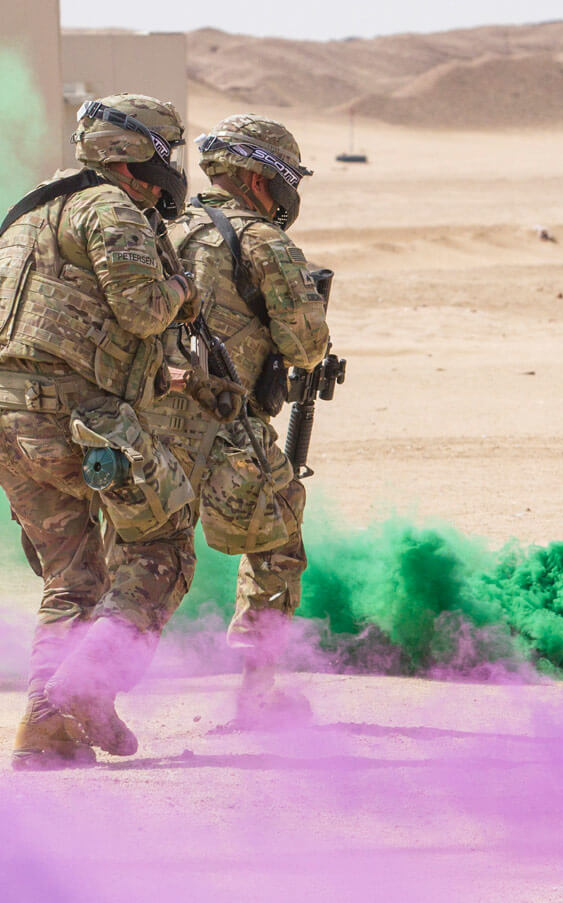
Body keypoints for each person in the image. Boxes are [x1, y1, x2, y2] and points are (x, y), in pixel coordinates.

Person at [0, 94, 235, 769]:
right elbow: (140, 310)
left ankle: (47, 725)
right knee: (162, 544)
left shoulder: (30, 212)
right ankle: (87, 685)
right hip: (76, 417)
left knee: (72, 576)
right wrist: (185, 292)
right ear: (140, 158)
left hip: (3, 420)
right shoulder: (111, 208)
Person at [146, 113, 332, 724]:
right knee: (278, 546)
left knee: (144, 564)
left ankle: (75, 696)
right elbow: (306, 346)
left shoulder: (159, 225)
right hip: (223, 427)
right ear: (260, 178)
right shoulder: (261, 240)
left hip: (141, 426)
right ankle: (256, 694)